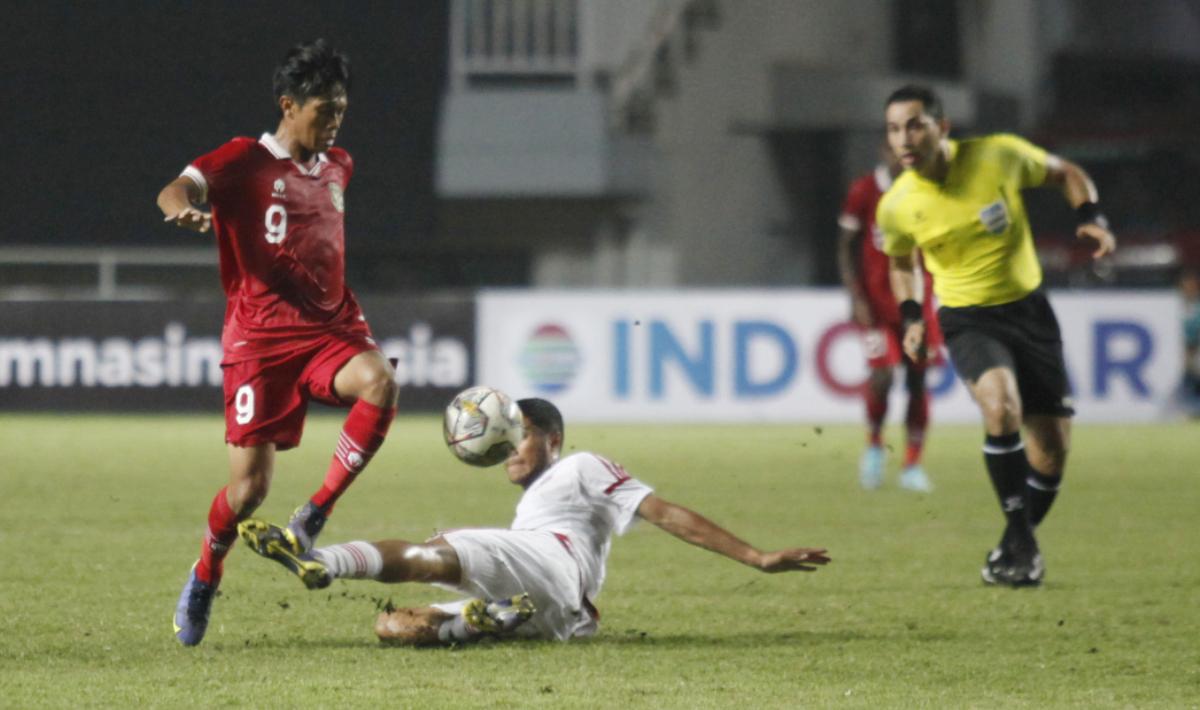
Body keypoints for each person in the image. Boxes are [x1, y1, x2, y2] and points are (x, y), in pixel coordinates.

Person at [157, 39, 400, 645]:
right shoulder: (242, 159)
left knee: (381, 382)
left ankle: (314, 515)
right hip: (259, 343)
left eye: (342, 108)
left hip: (329, 330)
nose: (336, 120)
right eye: (325, 109)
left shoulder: (340, 165)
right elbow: (175, 189)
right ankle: (207, 570)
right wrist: (184, 210)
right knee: (248, 490)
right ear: (288, 105)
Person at [237, 398, 831, 645]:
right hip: (558, 616)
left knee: (439, 550)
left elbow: (663, 512)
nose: (510, 446)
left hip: (550, 562)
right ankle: (478, 623)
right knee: (392, 627)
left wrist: (756, 556)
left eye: (520, 434)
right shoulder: (535, 501)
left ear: (555, 439)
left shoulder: (581, 467)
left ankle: (322, 559)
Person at [877, 85, 1116, 587]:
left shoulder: (998, 156)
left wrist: (1089, 218)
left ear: (942, 128)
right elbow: (901, 262)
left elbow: (1066, 173)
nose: (904, 138)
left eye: (914, 124)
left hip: (1030, 312)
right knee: (1001, 406)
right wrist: (913, 314)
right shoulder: (897, 204)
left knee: (1050, 452)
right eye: (895, 129)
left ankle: (1012, 546)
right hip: (968, 318)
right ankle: (1023, 542)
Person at [836, 150, 942, 492]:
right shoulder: (865, 190)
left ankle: (912, 464)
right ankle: (874, 445)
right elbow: (845, 246)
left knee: (917, 382)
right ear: (885, 150)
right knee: (881, 376)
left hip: (919, 304)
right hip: (878, 309)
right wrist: (855, 296)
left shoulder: (929, 190)